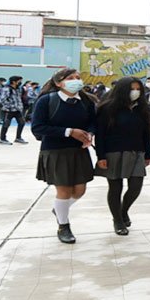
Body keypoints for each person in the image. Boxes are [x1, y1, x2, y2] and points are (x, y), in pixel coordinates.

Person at [31, 69, 97, 245]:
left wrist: (89, 134)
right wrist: (69, 132)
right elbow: (38, 128)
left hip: (79, 151)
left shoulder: (86, 101)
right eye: (70, 78)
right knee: (64, 190)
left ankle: (60, 210)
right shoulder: (46, 101)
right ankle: (64, 225)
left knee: (80, 190)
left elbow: (93, 122)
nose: (76, 81)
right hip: (55, 151)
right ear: (59, 83)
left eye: (77, 78)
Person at [94, 76, 150, 236]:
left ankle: (123, 210)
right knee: (115, 187)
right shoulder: (107, 108)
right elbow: (100, 135)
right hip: (113, 152)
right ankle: (117, 220)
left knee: (135, 186)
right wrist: (101, 156)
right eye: (132, 89)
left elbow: (146, 133)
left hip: (137, 151)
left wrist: (148, 153)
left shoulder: (141, 108)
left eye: (138, 89)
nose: (136, 92)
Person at [0, 75, 29, 145]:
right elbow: (2, 99)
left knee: (22, 123)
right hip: (9, 110)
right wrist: (10, 106)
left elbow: (18, 99)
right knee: (6, 124)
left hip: (17, 110)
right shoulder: (7, 89)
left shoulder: (18, 89)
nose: (20, 82)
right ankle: (2, 139)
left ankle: (18, 137)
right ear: (14, 82)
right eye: (19, 81)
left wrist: (20, 106)